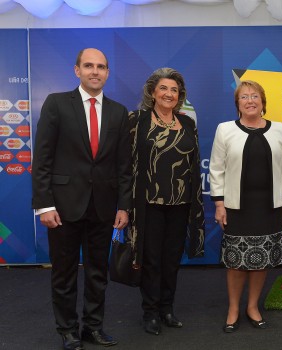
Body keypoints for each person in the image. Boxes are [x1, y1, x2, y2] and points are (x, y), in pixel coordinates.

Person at [31, 48, 131, 350]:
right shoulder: (57, 104)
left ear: (107, 73)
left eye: (101, 67)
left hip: (102, 207)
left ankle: (93, 328)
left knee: (98, 273)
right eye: (88, 66)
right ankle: (68, 330)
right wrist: (44, 205)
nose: (95, 71)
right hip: (62, 207)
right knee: (63, 274)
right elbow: (43, 159)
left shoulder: (118, 111)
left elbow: (123, 165)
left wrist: (124, 205)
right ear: (77, 70)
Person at [209, 80, 282, 333]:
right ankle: (234, 308)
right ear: (237, 104)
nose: (250, 100)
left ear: (263, 102)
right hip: (237, 207)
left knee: (262, 260)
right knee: (236, 262)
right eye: (244, 96)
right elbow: (216, 169)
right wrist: (219, 203)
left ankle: (253, 306)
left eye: (255, 96)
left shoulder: (279, 130)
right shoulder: (225, 130)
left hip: (269, 207)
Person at [128, 67, 205, 335]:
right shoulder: (137, 120)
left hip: (181, 203)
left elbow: (193, 165)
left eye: (174, 90)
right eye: (163, 88)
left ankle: (167, 308)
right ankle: (149, 312)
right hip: (148, 203)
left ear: (180, 96)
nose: (168, 94)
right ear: (152, 92)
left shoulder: (188, 124)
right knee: (151, 259)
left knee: (172, 258)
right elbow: (126, 164)